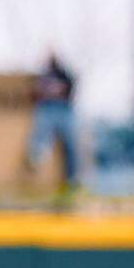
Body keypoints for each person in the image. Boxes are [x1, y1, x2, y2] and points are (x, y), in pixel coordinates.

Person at [26, 52, 78, 186]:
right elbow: (33, 93)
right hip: (46, 107)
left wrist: (59, 90)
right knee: (39, 141)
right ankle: (33, 166)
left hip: (63, 109)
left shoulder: (64, 75)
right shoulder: (42, 76)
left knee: (70, 145)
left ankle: (71, 179)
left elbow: (71, 89)